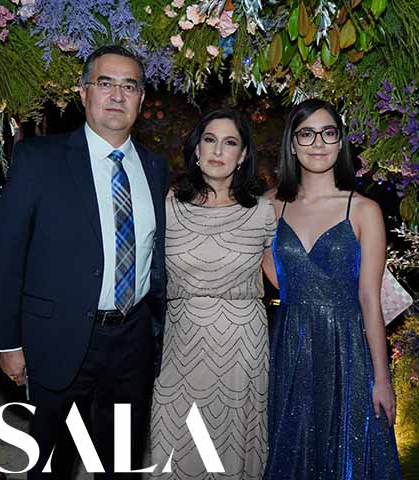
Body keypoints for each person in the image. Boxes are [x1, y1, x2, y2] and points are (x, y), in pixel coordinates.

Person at [0, 45, 169, 479]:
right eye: (105, 83)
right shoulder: (39, 160)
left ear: (141, 99)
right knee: (50, 463)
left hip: (132, 343)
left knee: (120, 464)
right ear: (84, 92)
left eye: (129, 86)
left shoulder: (154, 167)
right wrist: (7, 343)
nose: (117, 95)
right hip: (58, 339)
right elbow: (7, 257)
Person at [263, 98, 401, 479]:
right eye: (306, 134)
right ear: (292, 144)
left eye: (328, 133)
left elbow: (370, 299)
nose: (318, 143)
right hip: (290, 345)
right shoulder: (269, 206)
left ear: (340, 142)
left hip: (347, 347)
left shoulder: (364, 210)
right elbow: (269, 269)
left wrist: (382, 378)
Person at [149, 109, 275, 479]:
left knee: (233, 454)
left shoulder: (263, 212)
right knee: (173, 445)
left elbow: (288, 278)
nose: (218, 150)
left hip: (242, 348)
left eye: (230, 142)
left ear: (243, 155)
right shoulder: (166, 207)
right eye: (210, 140)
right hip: (180, 343)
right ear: (196, 149)